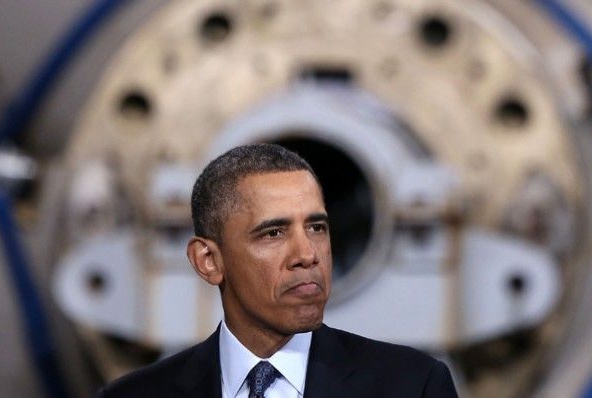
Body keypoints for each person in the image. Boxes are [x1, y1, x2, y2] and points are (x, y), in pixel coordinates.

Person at [98, 143, 458, 397]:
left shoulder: (414, 386)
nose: (307, 254)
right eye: (273, 233)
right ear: (208, 261)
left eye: (317, 228)